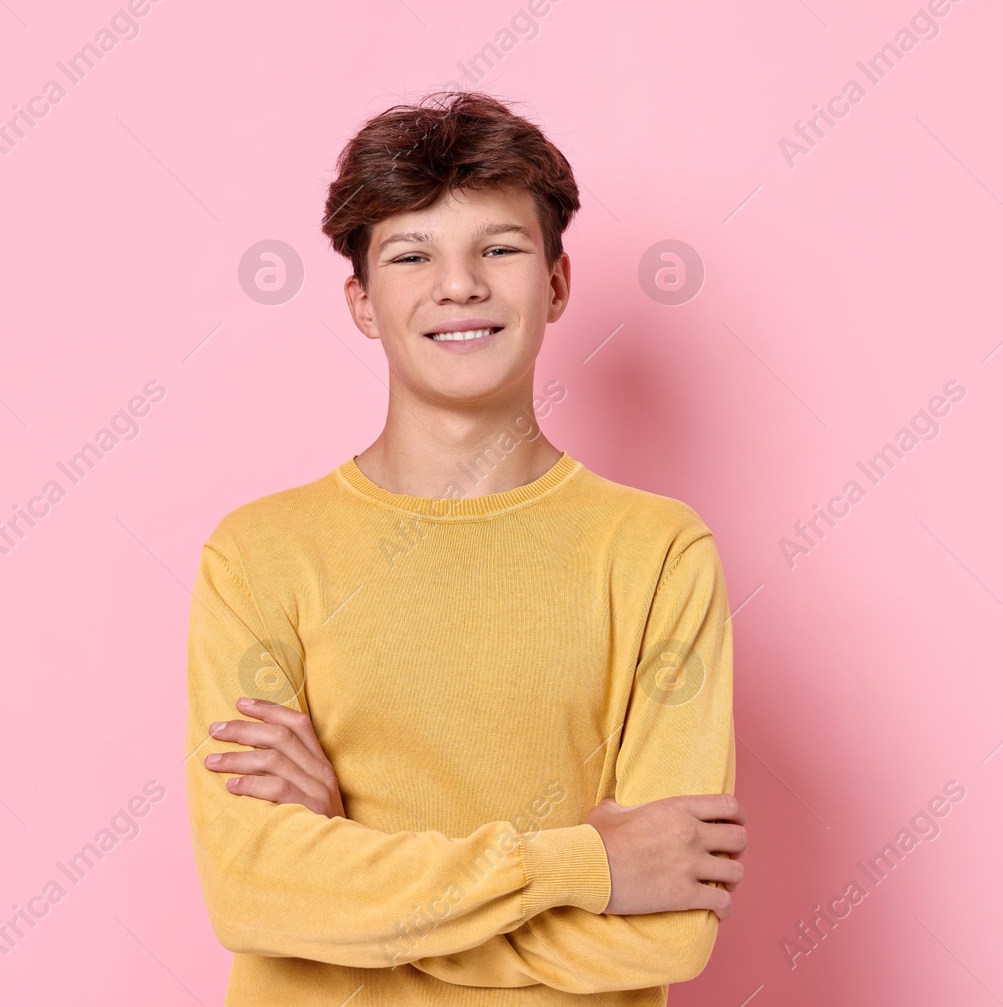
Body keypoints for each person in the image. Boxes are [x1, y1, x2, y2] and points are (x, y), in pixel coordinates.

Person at [184, 90, 746, 1005]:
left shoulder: (659, 554)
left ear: (556, 284)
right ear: (363, 303)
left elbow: (669, 934)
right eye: (413, 255)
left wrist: (350, 895)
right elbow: (251, 893)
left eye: (499, 248)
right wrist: (586, 864)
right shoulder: (258, 555)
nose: (460, 286)